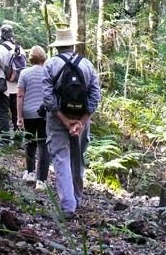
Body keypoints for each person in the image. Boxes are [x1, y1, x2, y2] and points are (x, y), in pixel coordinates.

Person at [42, 27, 101, 220]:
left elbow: (48, 99)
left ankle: (68, 206)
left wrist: (66, 122)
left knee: (61, 158)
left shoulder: (50, 64)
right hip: (82, 119)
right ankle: (77, 198)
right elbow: (95, 96)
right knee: (78, 158)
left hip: (58, 119)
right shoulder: (87, 65)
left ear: (57, 46)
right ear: (73, 45)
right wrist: (81, 122)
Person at [16, 45, 51, 190]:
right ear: (44, 58)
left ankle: (30, 173)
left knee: (30, 142)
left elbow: (20, 96)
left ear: (30, 58)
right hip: (44, 114)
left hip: (28, 113)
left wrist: (19, 116)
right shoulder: (49, 73)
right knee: (44, 145)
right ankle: (41, 181)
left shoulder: (24, 73)